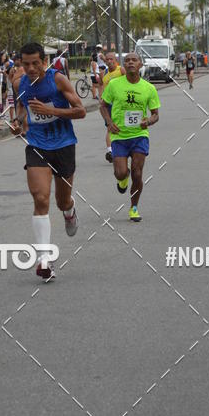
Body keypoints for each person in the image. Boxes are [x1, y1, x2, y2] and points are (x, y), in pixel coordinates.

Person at [11, 41, 86, 282]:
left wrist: (50, 110)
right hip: (37, 144)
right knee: (40, 198)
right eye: (26, 64)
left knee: (61, 201)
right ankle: (44, 259)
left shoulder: (58, 80)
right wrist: (18, 123)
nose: (31, 68)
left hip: (63, 144)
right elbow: (22, 109)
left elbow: (81, 110)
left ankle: (70, 210)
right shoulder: (19, 83)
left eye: (35, 63)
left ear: (44, 61)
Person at [100, 52, 160, 222]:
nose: (131, 62)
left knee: (137, 173)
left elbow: (156, 114)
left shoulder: (149, 88)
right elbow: (103, 106)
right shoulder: (114, 85)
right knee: (121, 173)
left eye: (134, 60)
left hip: (139, 135)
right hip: (119, 136)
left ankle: (134, 207)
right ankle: (122, 180)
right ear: (123, 65)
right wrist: (109, 122)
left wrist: (148, 121)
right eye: (127, 60)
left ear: (140, 64)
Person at [101, 50, 126, 162]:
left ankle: (124, 148)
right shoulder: (104, 74)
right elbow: (102, 88)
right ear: (105, 62)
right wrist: (101, 98)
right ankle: (110, 151)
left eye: (111, 59)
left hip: (122, 103)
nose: (109, 61)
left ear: (116, 60)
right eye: (107, 59)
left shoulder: (120, 70)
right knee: (109, 128)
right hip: (110, 105)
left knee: (123, 126)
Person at [8, 54, 24, 122]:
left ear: (19, 60)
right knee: (18, 105)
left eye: (14, 60)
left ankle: (19, 120)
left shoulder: (21, 68)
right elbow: (11, 79)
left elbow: (13, 79)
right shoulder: (16, 69)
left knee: (19, 105)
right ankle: (18, 119)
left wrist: (12, 76)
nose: (13, 62)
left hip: (21, 92)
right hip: (17, 92)